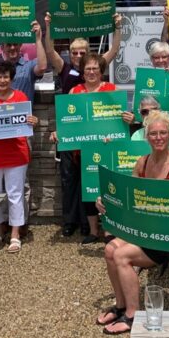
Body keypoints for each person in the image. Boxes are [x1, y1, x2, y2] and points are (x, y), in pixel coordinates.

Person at [94, 111, 169, 335]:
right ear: (147, 137)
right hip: (147, 227)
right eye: (154, 133)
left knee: (122, 255)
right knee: (110, 249)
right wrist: (105, 202)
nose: (159, 137)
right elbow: (128, 199)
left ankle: (131, 315)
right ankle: (120, 306)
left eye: (163, 133)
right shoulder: (142, 162)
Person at [44, 12, 121, 238]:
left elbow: (114, 50)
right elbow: (49, 51)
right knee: (70, 181)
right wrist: (49, 26)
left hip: (98, 140)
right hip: (73, 137)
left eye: (82, 52)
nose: (78, 55)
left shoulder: (99, 73)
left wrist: (117, 27)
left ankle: (94, 226)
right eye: (75, 52)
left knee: (92, 181)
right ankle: (71, 222)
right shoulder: (66, 70)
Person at [0, 61, 39, 253]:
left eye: (5, 77)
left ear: (11, 79)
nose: (2, 81)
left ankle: (15, 234)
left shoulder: (20, 96)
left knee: (15, 194)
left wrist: (33, 120)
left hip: (16, 154)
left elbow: (29, 120)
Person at [72, 53, 122, 244]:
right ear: (82, 72)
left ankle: (109, 229)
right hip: (84, 151)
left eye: (95, 68)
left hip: (108, 149)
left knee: (109, 190)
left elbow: (119, 120)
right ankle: (93, 231)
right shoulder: (75, 92)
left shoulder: (112, 89)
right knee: (89, 191)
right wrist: (59, 133)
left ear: (101, 71)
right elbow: (68, 123)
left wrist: (124, 120)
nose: (91, 72)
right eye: (88, 69)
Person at [0, 20, 48, 101]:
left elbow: (42, 68)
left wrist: (38, 40)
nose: (12, 47)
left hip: (22, 112)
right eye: (9, 45)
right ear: (2, 48)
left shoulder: (29, 66)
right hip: (0, 112)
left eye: (15, 44)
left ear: (20, 45)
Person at [127, 95, 169, 160]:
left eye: (153, 110)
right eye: (145, 112)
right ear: (141, 114)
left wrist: (167, 165)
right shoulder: (136, 135)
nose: (150, 114)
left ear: (159, 111)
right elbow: (131, 160)